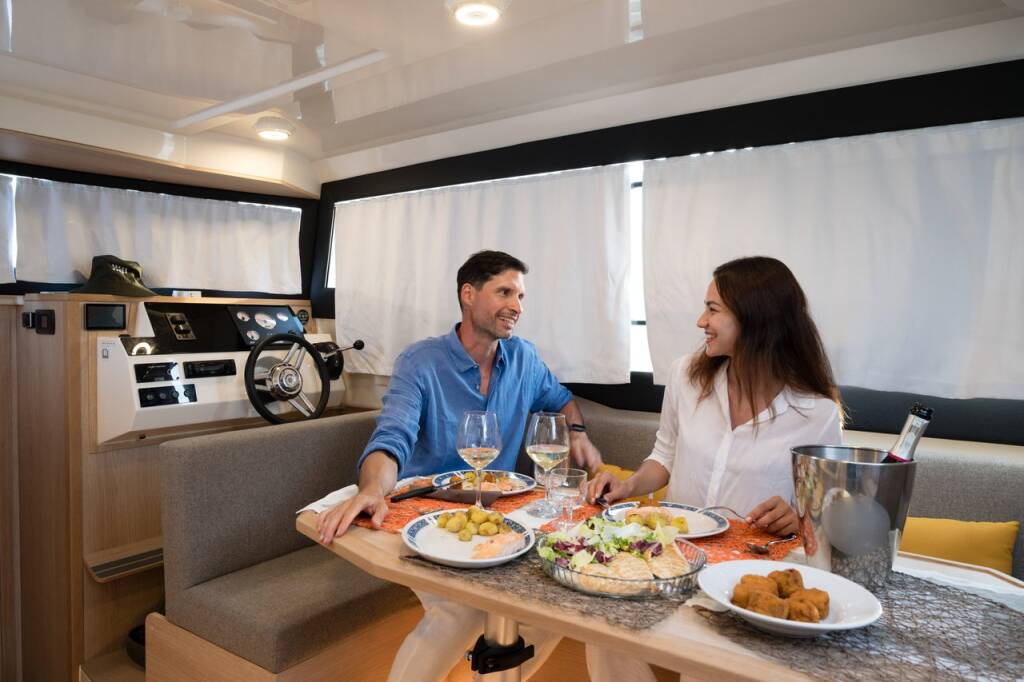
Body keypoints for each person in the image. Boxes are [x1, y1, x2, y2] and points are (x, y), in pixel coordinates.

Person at [317, 249, 603, 682]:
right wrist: (373, 490)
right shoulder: (420, 362)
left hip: (498, 517)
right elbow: (392, 437)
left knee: (557, 603)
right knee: (461, 610)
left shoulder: (524, 358)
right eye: (504, 292)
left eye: (521, 296)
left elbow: (561, 400)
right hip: (428, 515)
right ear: (468, 294)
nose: (517, 306)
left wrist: (577, 432)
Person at [584, 256, 842, 682]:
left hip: (747, 574)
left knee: (707, 668)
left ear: (755, 319)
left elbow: (822, 517)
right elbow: (664, 456)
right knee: (601, 626)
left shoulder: (816, 413)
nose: (701, 320)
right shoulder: (686, 376)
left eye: (713, 309)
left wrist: (796, 517)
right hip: (671, 557)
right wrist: (628, 485)